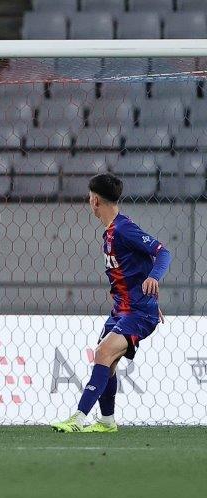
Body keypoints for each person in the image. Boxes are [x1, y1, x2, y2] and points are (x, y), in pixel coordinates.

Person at [51, 173, 171, 433]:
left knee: (103, 353)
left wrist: (153, 279)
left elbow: (163, 252)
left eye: (89, 197)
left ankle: (78, 418)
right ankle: (107, 421)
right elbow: (132, 269)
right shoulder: (111, 232)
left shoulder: (123, 229)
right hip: (123, 309)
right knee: (109, 363)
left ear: (95, 200)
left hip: (138, 312)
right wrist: (146, 294)